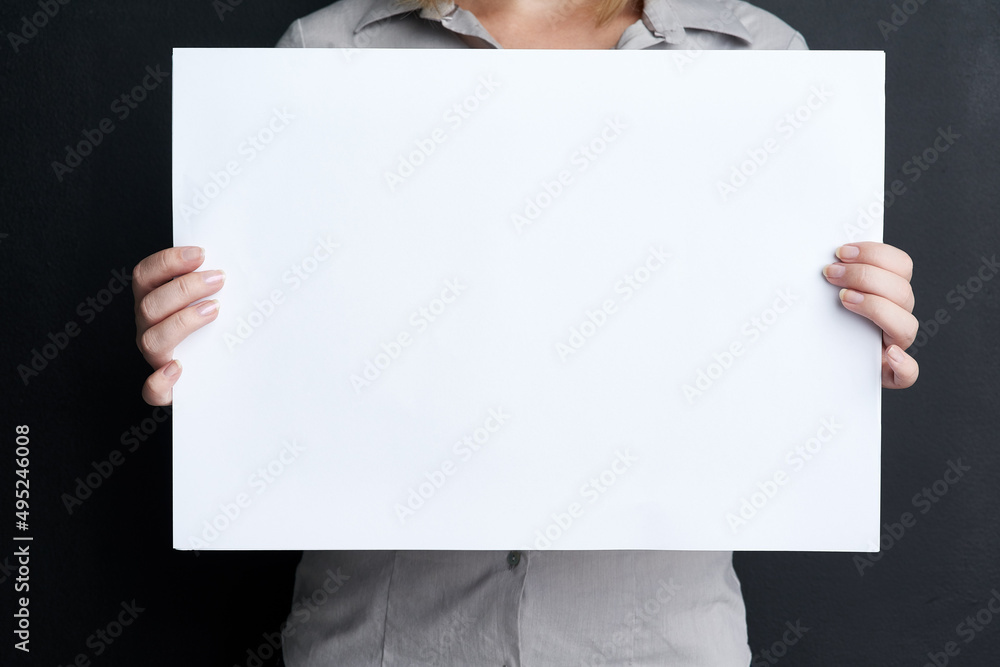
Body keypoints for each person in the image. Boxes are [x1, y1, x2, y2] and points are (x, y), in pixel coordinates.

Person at [133, 0, 919, 664]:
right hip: (383, 644)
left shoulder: (760, 60)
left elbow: (762, 363)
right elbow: (284, 357)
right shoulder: (327, 51)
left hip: (658, 645)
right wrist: (202, 347)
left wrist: (845, 349)